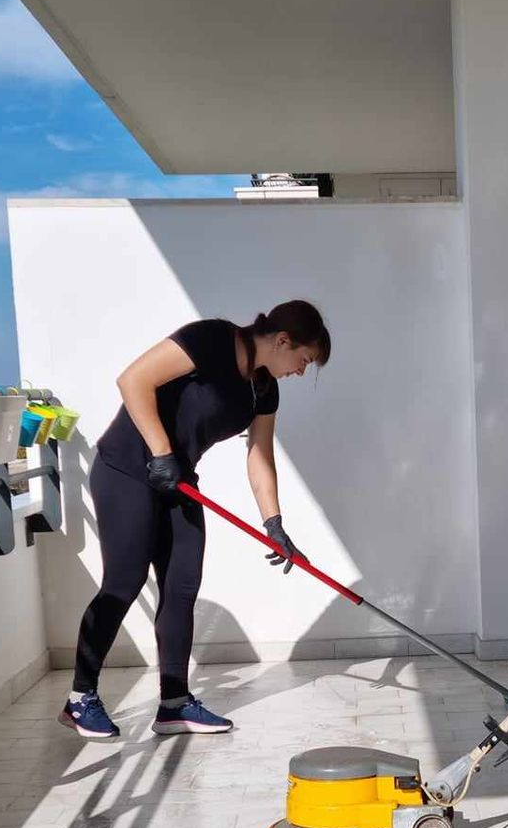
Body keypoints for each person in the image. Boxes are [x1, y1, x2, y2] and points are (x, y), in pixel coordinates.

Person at [59, 301, 330, 740]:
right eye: (303, 360)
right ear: (283, 341)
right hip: (127, 469)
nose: (301, 371)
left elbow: (259, 456)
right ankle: (80, 699)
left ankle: (174, 703)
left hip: (176, 482)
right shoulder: (210, 339)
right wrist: (162, 452)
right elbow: (133, 381)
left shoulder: (263, 388)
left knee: (181, 584)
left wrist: (274, 523)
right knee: (124, 583)